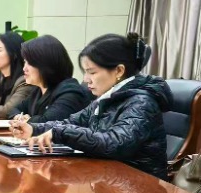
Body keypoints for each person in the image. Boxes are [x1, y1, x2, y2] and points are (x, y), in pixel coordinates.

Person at [12, 33, 173, 180]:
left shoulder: (142, 102)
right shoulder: (107, 98)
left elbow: (115, 143)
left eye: (92, 72)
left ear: (119, 71)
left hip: (140, 189)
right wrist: (33, 128)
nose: (86, 79)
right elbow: (71, 122)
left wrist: (60, 133)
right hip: (109, 180)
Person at [6, 35, 92, 124]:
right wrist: (18, 116)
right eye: (25, 62)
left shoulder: (70, 92)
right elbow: (14, 110)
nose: (24, 68)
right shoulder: (38, 91)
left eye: (30, 63)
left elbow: (48, 123)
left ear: (46, 64)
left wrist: (28, 120)